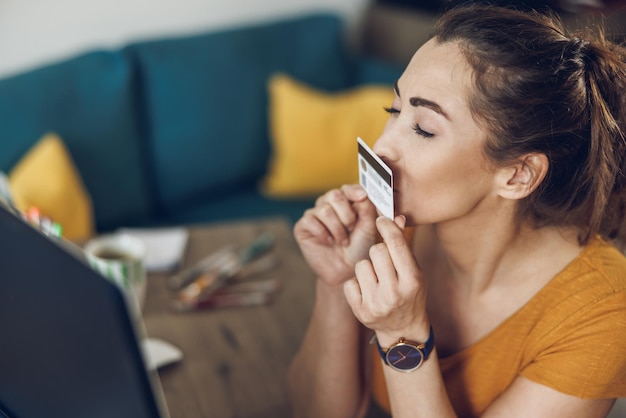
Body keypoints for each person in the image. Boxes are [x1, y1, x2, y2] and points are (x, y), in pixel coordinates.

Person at [288, 4, 626, 418]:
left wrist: (402, 336)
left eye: (424, 129)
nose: (381, 148)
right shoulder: (394, 230)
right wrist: (337, 282)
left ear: (518, 175)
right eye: (394, 111)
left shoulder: (604, 312)